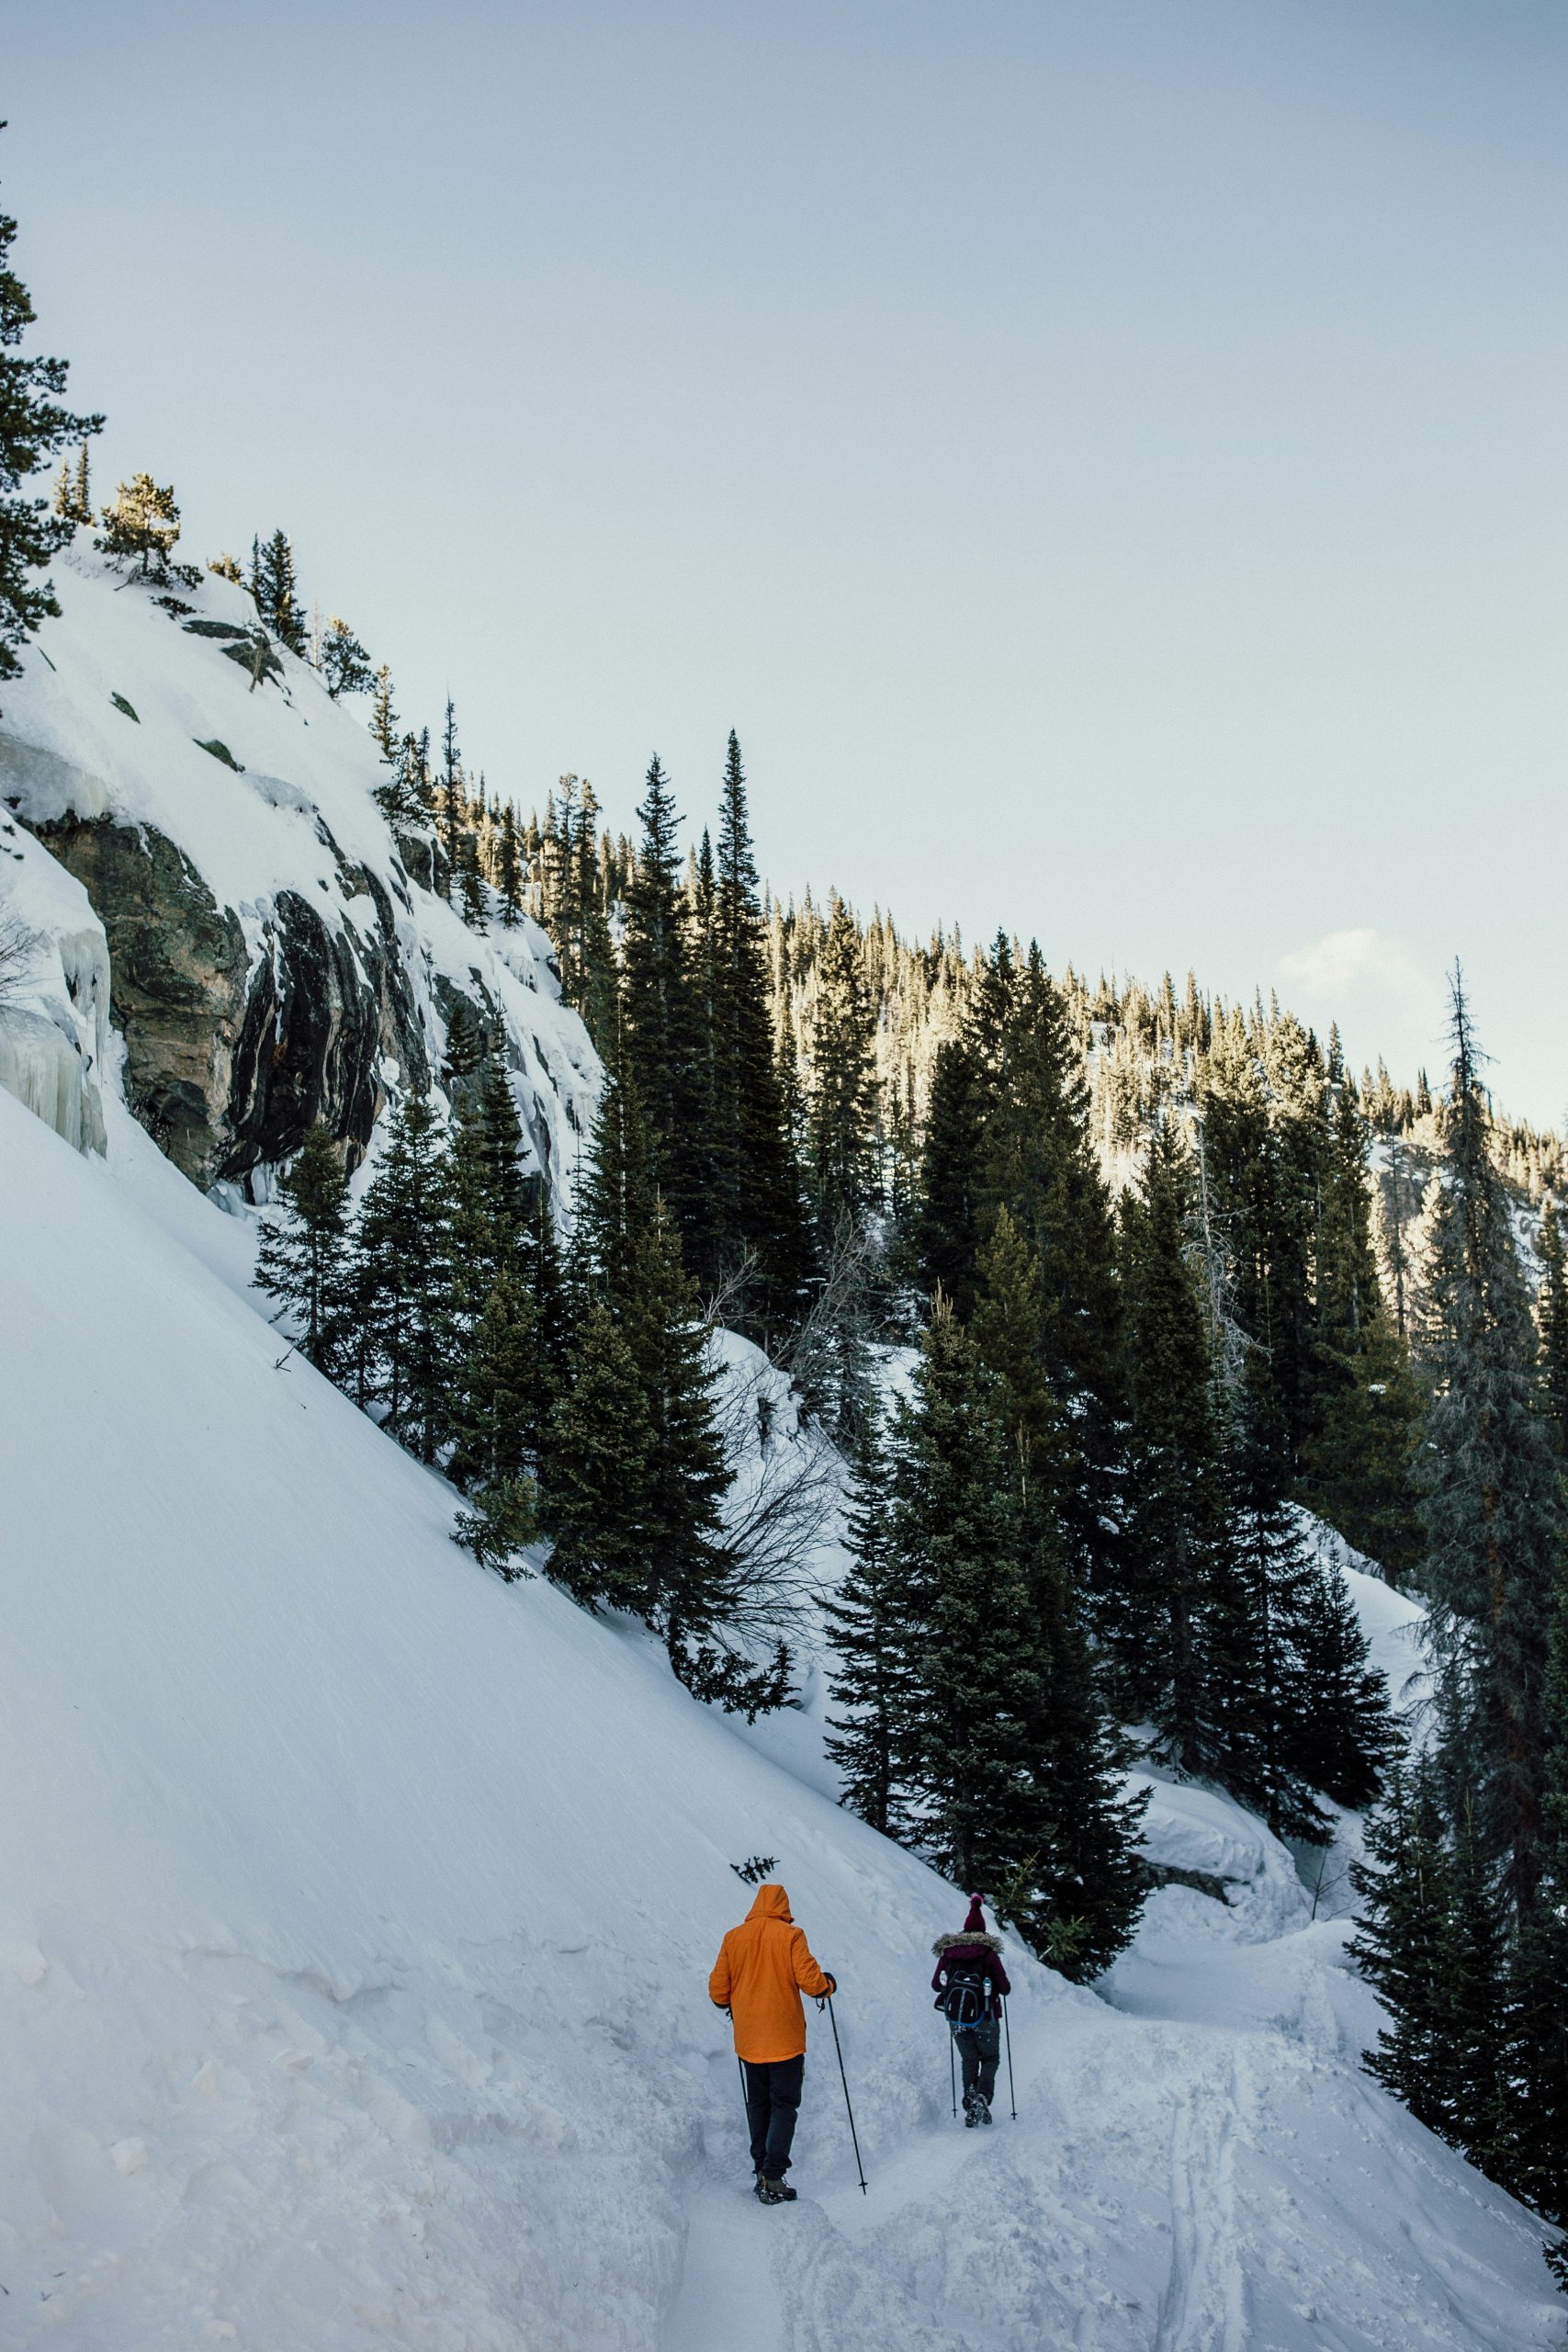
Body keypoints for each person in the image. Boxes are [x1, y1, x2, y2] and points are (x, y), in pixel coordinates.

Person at [709, 1882, 836, 2203]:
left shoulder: (733, 1937)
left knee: (758, 2104)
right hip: (785, 2041)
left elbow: (718, 1993)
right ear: (783, 1908)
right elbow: (812, 1983)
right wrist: (828, 1985)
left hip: (749, 2041)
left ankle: (760, 2170)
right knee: (784, 2105)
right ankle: (774, 2177)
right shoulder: (791, 1935)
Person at [931, 1893, 1010, 2126]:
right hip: (985, 2015)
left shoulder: (948, 1953)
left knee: (969, 2058)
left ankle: (970, 2099)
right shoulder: (988, 1954)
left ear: (963, 1931)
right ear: (983, 1932)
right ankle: (982, 2097)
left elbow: (936, 1985)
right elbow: (1005, 1988)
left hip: (956, 2016)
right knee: (990, 2058)